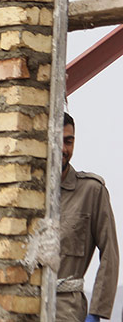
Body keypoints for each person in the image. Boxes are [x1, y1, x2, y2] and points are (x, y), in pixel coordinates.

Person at [57, 112, 118, 322]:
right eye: (57, 140)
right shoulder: (27, 189)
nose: (63, 149)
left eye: (69, 141)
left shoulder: (91, 191)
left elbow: (110, 252)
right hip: (24, 307)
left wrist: (96, 312)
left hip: (68, 311)